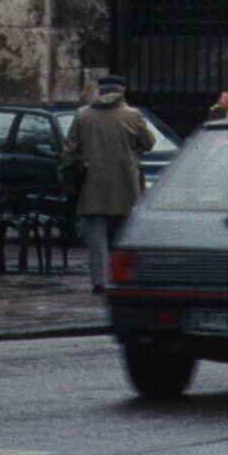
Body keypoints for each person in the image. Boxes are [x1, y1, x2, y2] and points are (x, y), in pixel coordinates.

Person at [61, 73, 152, 291]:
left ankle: (100, 282)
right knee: (123, 236)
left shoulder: (83, 115)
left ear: (100, 91)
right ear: (122, 92)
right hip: (126, 188)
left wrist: (65, 177)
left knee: (97, 238)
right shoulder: (133, 115)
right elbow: (148, 143)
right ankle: (122, 278)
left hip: (92, 187)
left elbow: (68, 151)